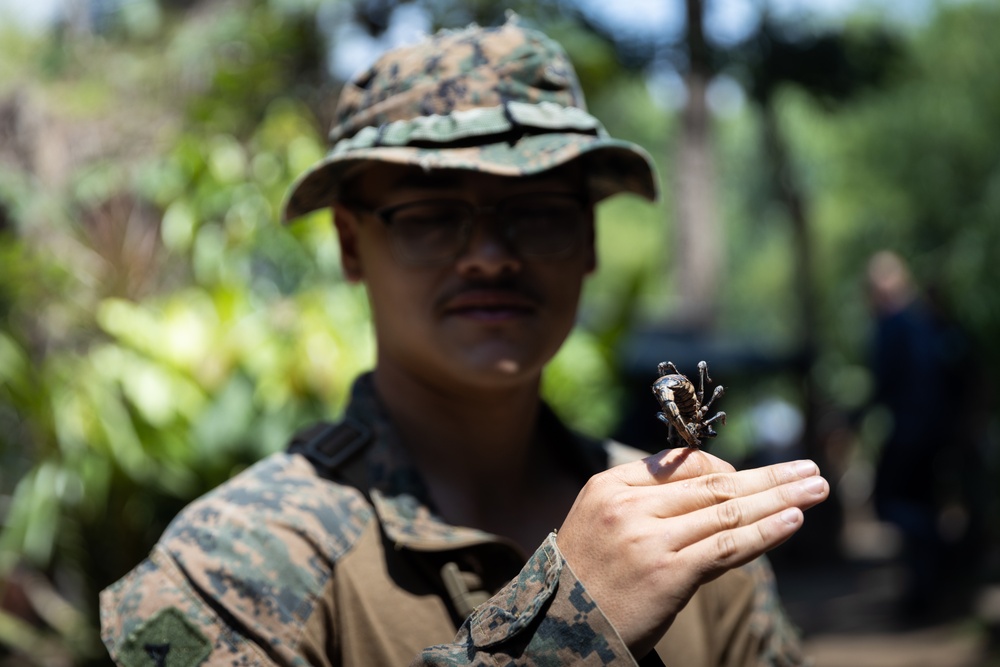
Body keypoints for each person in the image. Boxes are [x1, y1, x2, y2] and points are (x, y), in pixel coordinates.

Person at [99, 19, 829, 666]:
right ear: (352, 247)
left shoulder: (692, 515)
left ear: (589, 238)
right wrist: (568, 633)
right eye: (430, 214)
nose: (489, 255)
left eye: (537, 211)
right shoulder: (239, 563)